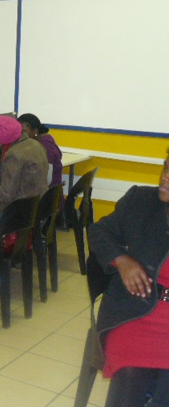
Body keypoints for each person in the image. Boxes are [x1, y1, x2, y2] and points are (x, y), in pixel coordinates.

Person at [88, 155, 169, 407]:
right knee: (130, 377)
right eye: (166, 167)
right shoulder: (141, 200)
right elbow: (99, 231)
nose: (165, 177)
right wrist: (121, 259)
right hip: (135, 311)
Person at [0, 115, 49, 214]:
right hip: (37, 206)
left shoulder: (13, 154)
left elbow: (5, 195)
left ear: (0, 142)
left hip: (18, 211)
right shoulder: (36, 144)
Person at [17, 113, 62, 187]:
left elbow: (47, 180)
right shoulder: (37, 142)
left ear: (35, 131)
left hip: (48, 192)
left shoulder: (46, 146)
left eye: (23, 131)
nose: (20, 135)